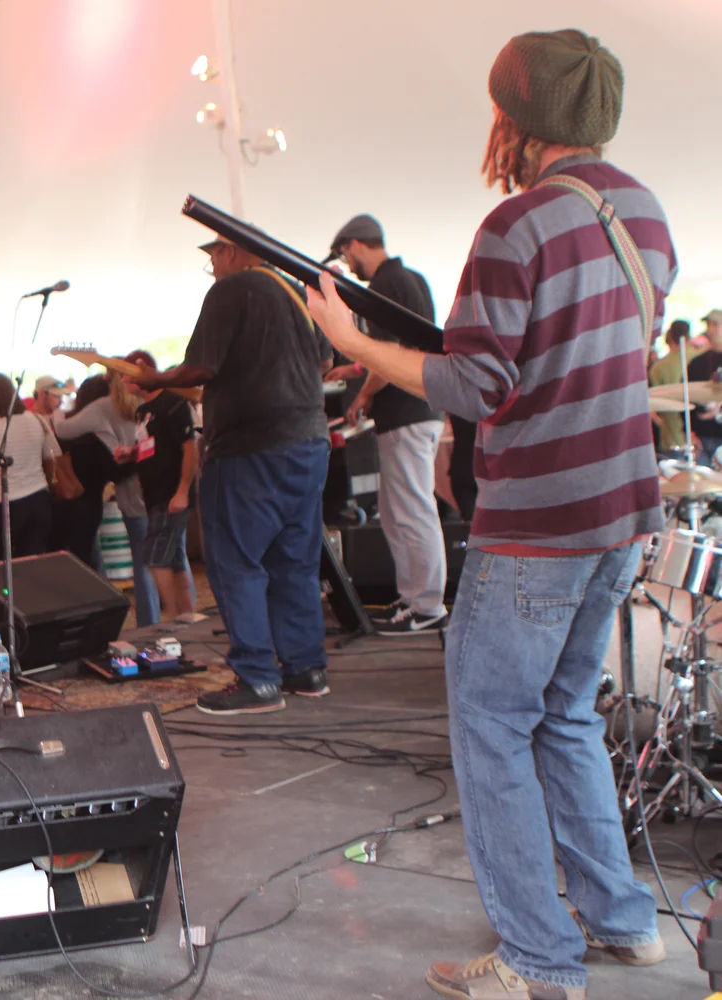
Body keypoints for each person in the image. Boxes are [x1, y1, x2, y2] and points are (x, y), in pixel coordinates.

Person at [307, 29, 672, 997]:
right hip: (621, 512)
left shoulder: (518, 224)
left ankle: (539, 960)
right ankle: (623, 922)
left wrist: (349, 336)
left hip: (537, 523)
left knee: (493, 727)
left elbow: (475, 386)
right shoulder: (645, 210)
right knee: (565, 716)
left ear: (515, 119)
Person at [135, 235, 334, 715]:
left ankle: (258, 679)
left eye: (213, 260)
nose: (214, 270)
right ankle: (306, 670)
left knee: (236, 562)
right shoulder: (297, 292)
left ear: (227, 251)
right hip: (308, 442)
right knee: (295, 562)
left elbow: (201, 366)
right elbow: (326, 362)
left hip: (249, 448)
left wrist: (156, 380)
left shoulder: (231, 290)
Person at [328, 215, 448, 634]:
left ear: (356, 245)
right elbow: (411, 346)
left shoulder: (383, 286)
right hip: (420, 408)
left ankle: (427, 605)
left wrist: (363, 394)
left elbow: (391, 352)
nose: (348, 262)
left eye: (345, 253)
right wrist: (355, 369)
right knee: (400, 511)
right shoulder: (412, 279)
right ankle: (413, 598)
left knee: (411, 509)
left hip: (406, 413)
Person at [127, 362, 199, 621]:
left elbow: (190, 448)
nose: (124, 381)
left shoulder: (174, 403)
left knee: (156, 558)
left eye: (128, 374)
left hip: (171, 493)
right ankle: (187, 616)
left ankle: (174, 619)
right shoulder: (142, 411)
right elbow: (151, 445)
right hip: (154, 494)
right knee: (174, 559)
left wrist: (183, 490)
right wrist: (131, 454)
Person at [0, 373, 59, 562]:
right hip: (40, 501)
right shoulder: (35, 419)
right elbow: (53, 453)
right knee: (32, 565)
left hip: (5, 507)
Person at [47, 375, 120, 571]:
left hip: (60, 499)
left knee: (61, 559)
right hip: (89, 502)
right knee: (84, 559)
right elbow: (113, 470)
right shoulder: (101, 433)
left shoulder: (64, 425)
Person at [648, 320, 698, 453]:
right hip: (699, 438)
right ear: (688, 336)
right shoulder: (700, 357)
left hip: (672, 438)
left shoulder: (659, 367)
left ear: (669, 336)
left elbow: (653, 404)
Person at [687, 310, 722, 460]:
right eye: (708, 325)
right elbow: (685, 399)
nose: (710, 329)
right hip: (702, 439)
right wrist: (691, 433)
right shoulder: (697, 363)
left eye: (715, 324)